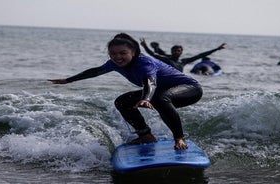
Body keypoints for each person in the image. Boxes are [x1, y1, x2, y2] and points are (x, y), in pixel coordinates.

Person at [48, 33, 203, 150]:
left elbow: (150, 82)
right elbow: (95, 71)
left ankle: (179, 138)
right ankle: (145, 135)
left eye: (123, 53)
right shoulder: (114, 63)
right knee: (122, 101)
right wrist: (68, 80)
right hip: (159, 92)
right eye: (113, 53)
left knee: (162, 98)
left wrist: (147, 98)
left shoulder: (144, 63)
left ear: (133, 52)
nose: (118, 57)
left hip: (190, 89)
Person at [140, 38, 226, 72]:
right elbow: (153, 54)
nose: (176, 52)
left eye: (178, 51)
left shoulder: (184, 61)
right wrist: (145, 46)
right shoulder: (167, 59)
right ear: (171, 51)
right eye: (174, 50)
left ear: (181, 52)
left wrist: (216, 49)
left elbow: (200, 55)